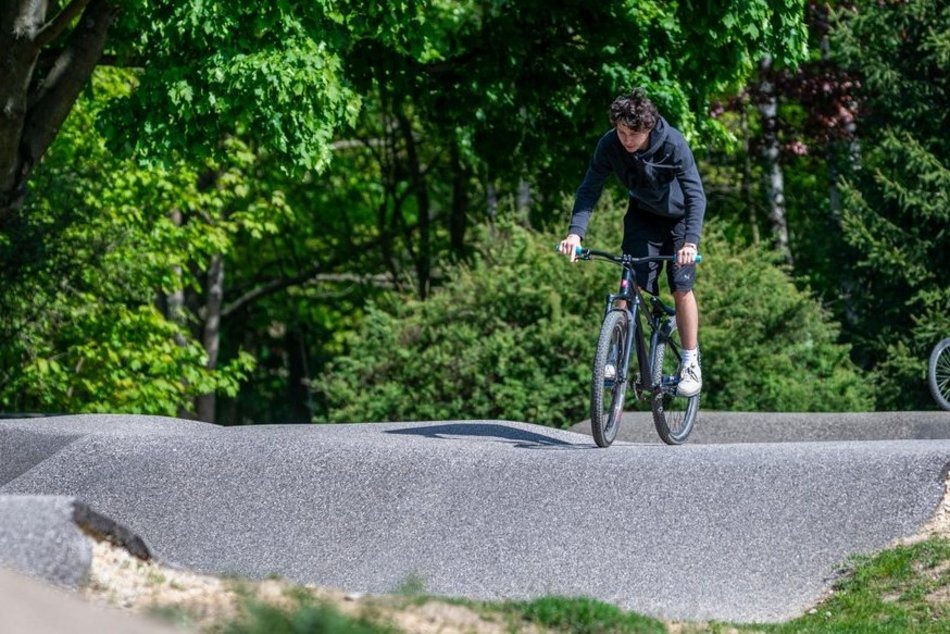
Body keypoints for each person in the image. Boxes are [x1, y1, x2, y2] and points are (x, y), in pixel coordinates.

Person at [558, 87, 706, 396]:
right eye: (622, 131)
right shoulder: (609, 145)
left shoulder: (674, 144)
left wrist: (690, 243)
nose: (627, 140)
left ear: (649, 128)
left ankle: (691, 361)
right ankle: (613, 354)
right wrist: (575, 233)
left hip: (678, 220)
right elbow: (589, 189)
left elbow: (696, 195)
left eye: (634, 134)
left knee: (681, 287)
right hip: (643, 216)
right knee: (629, 280)